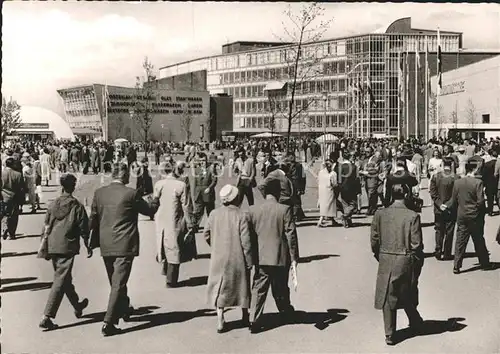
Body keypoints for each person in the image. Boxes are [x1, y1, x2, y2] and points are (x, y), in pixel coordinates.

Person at [89, 163, 156, 336]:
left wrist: (91, 241)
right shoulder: (131, 194)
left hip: (106, 243)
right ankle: (108, 322)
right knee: (118, 283)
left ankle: (124, 308)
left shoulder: (99, 193)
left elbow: (93, 220)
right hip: (125, 243)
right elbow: (149, 210)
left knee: (115, 280)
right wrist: (156, 200)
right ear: (125, 176)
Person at [371, 184, 424, 346]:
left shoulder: (380, 214)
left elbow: (374, 239)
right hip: (405, 258)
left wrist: (379, 254)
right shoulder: (412, 216)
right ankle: (415, 320)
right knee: (405, 291)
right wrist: (417, 262)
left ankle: (390, 333)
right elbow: (416, 244)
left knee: (388, 295)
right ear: (407, 195)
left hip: (386, 257)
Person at [39, 174, 91, 330]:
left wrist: (44, 245)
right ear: (73, 187)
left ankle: (77, 304)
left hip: (53, 244)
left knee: (64, 278)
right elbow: (84, 228)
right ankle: (47, 316)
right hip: (67, 246)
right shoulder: (76, 206)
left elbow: (46, 225)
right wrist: (88, 244)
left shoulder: (53, 204)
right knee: (60, 280)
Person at [248, 179, 299, 333]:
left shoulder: (253, 210)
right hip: (280, 256)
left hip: (261, 256)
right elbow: (291, 234)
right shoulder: (284, 209)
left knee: (259, 288)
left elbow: (249, 236)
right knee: (281, 287)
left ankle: (254, 319)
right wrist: (294, 257)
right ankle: (285, 312)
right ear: (279, 193)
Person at [204, 184, 253, 334]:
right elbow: (246, 241)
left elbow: (206, 234)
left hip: (218, 255)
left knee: (220, 287)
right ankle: (245, 314)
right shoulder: (241, 215)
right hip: (237, 256)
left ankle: (220, 318)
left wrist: (215, 244)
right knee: (242, 286)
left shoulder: (213, 214)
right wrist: (249, 260)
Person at [445, 159, 494, 274]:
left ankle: (457, 265)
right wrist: (481, 211)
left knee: (460, 241)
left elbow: (453, 200)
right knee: (478, 239)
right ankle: (484, 263)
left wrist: (446, 206)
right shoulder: (478, 183)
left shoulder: (458, 183)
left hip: (462, 215)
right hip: (475, 216)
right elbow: (480, 201)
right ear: (475, 169)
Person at [153, 162, 195, 288]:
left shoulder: (159, 184)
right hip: (174, 218)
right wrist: (190, 222)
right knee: (174, 247)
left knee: (163, 243)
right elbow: (186, 206)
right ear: (174, 170)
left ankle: (165, 271)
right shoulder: (181, 185)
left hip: (161, 219)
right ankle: (171, 280)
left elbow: (155, 201)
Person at [429, 157, 459, 261]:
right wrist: (448, 204)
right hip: (451, 209)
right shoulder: (456, 177)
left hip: (438, 208)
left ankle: (438, 250)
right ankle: (447, 252)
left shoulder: (436, 176)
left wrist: (439, 203)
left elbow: (433, 193)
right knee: (449, 231)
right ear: (451, 165)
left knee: (438, 230)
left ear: (442, 164)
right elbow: (456, 195)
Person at [189, 152, 218, 230]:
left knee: (210, 211)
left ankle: (212, 226)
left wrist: (210, 188)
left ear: (206, 160)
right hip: (199, 193)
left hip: (208, 193)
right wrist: (194, 193)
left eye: (204, 160)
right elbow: (194, 182)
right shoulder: (197, 169)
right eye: (200, 161)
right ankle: (194, 226)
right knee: (198, 211)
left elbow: (214, 180)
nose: (202, 162)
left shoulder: (211, 168)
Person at [1, 157, 25, 240]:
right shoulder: (18, 174)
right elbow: (22, 188)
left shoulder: (2, 174)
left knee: (4, 214)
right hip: (14, 197)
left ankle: (4, 227)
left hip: (3, 196)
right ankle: (12, 234)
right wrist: (22, 200)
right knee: (14, 216)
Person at [316, 159, 339, 227]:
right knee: (329, 205)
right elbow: (334, 183)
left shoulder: (321, 172)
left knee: (325, 205)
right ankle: (320, 220)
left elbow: (318, 180)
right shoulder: (333, 174)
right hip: (329, 191)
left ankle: (332, 220)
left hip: (322, 190)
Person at [482, 149, 498, 216]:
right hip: (497, 183)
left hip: (489, 183)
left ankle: (490, 211)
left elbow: (484, 175)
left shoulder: (487, 164)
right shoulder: (498, 163)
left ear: (490, 155)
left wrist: (484, 184)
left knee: (490, 199)